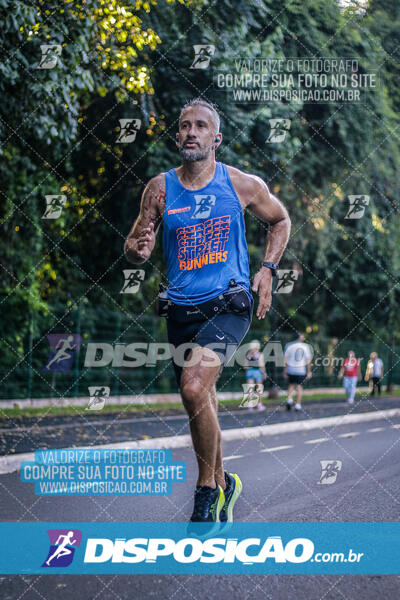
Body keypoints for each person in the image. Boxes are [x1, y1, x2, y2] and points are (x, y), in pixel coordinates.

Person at [124, 98, 291, 530]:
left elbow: (281, 220)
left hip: (229, 302)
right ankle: (224, 482)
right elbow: (135, 244)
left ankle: (204, 493)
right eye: (184, 126)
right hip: (180, 307)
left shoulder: (240, 184)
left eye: (201, 126)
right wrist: (138, 249)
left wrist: (268, 270)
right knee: (204, 399)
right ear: (177, 136)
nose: (191, 132)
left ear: (216, 138)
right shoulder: (159, 189)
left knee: (194, 387)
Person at [283, 333, 312, 411]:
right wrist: (309, 371)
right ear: (300, 338)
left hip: (290, 369)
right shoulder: (305, 346)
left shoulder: (288, 345)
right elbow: (308, 360)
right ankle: (298, 405)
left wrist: (284, 370)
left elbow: (285, 360)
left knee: (291, 385)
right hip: (300, 369)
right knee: (299, 387)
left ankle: (289, 399)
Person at [244, 340, 266, 411]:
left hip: (249, 372)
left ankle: (250, 405)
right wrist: (264, 373)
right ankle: (259, 404)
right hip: (257, 372)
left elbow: (245, 366)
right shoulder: (260, 354)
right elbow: (261, 365)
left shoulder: (248, 355)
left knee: (250, 388)